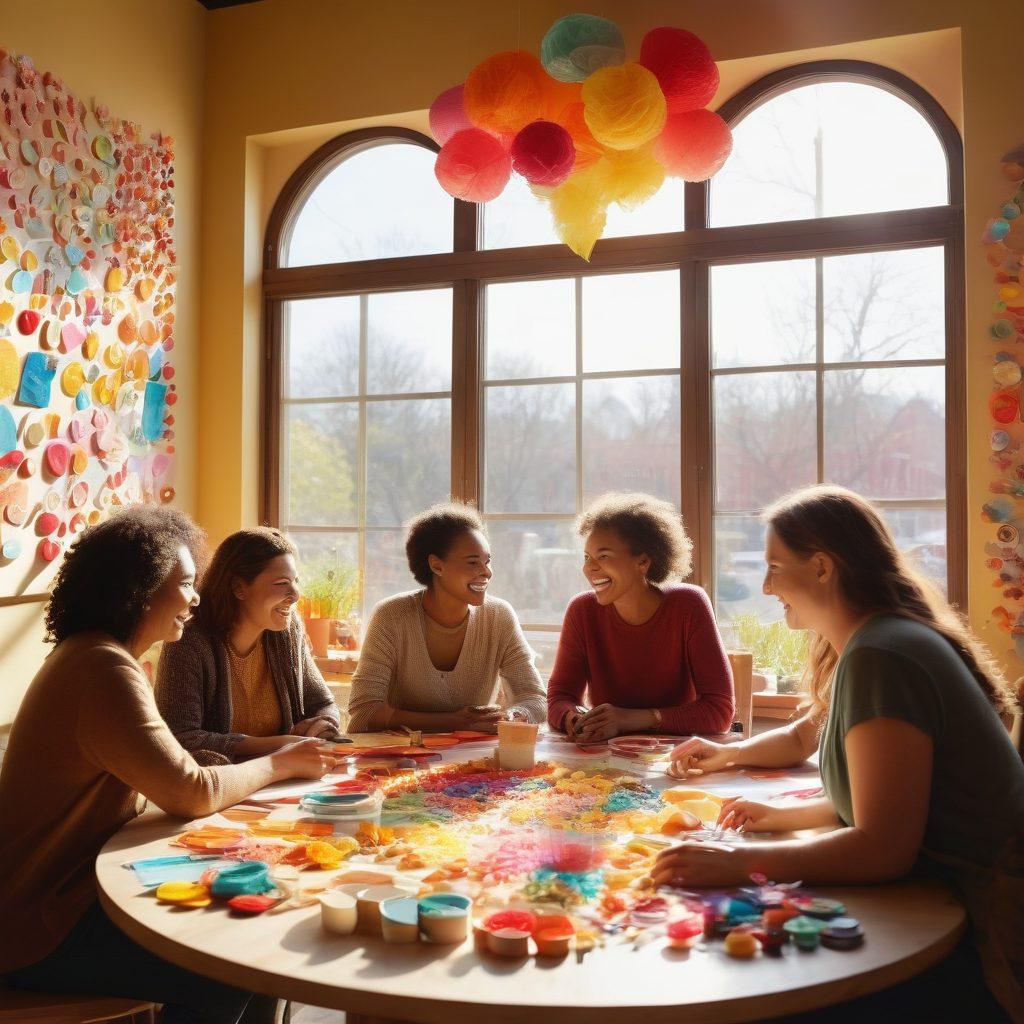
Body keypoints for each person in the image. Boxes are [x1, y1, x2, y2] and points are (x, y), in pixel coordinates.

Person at [655, 486, 1024, 1022]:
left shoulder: (882, 656)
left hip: (980, 932)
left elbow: (883, 848)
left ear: (823, 568)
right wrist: (785, 816)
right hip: (943, 896)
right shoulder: (874, 642)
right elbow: (888, 799)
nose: (765, 586)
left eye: (775, 567)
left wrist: (737, 863)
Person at [0, 506, 334, 1023]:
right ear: (139, 590)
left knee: (253, 929)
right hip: (40, 926)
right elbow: (191, 787)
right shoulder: (102, 668)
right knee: (233, 962)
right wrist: (282, 762)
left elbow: (172, 774)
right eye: (183, 582)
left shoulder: (96, 656)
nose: (196, 596)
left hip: (76, 896)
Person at [546, 492, 735, 742]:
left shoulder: (688, 605)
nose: (589, 568)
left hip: (676, 762)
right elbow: (560, 697)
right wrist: (574, 717)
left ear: (643, 561)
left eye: (603, 556)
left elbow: (719, 712)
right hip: (605, 763)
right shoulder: (582, 611)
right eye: (587, 557)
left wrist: (629, 719)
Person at [346, 502, 546, 732]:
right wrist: (455, 721)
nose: (487, 572)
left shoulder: (499, 616)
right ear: (436, 565)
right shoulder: (392, 616)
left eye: (487, 561)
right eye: (473, 563)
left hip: (468, 760)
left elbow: (535, 700)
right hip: (397, 760)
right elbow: (365, 711)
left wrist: (513, 715)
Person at [157, 528, 341, 764]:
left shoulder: (287, 631)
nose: (295, 595)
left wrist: (323, 724)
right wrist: (285, 745)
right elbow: (180, 738)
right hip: (220, 788)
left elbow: (323, 703)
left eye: (296, 581)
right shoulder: (189, 641)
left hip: (285, 782)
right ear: (238, 588)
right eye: (282, 583)